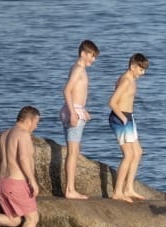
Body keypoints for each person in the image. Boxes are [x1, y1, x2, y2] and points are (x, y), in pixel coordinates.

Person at [0, 106, 41, 227]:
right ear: (29, 120)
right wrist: (32, 180)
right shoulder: (23, 134)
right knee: (32, 218)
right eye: (36, 123)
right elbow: (24, 158)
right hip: (16, 184)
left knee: (15, 219)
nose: (36, 127)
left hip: (3, 183)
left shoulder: (5, 134)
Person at [60, 39, 99, 200]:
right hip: (73, 111)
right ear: (83, 53)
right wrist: (73, 112)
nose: (93, 59)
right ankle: (70, 190)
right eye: (91, 56)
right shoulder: (78, 69)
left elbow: (77, 92)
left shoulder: (79, 69)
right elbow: (67, 90)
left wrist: (83, 110)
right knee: (73, 152)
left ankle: (71, 188)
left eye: (95, 57)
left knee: (75, 151)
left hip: (76, 109)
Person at [108, 53, 149, 203]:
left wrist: (128, 118)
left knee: (138, 152)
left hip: (128, 118)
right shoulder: (126, 80)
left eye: (144, 70)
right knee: (128, 155)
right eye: (141, 69)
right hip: (120, 118)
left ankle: (129, 188)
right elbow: (112, 102)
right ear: (132, 66)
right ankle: (117, 192)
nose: (142, 73)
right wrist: (123, 117)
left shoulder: (130, 78)